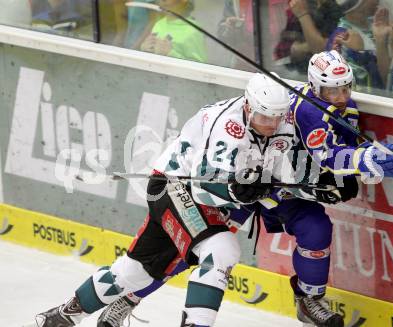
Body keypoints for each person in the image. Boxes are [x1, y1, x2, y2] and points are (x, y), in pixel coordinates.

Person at [94, 51, 393, 327]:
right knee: (196, 248)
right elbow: (329, 156)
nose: (342, 95)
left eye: (346, 88)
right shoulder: (308, 111)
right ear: (315, 86)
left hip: (288, 185)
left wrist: (369, 165)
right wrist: (370, 161)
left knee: (317, 229)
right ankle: (131, 297)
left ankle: (309, 299)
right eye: (333, 91)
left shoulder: (341, 107)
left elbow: (337, 156)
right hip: (256, 184)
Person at [33, 72, 299, 327]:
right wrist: (239, 190)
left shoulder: (282, 121)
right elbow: (205, 187)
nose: (272, 125)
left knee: (133, 272)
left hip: (202, 197)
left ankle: (61, 316)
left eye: (277, 117)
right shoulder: (227, 128)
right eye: (265, 117)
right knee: (221, 250)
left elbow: (289, 169)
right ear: (248, 107)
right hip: (176, 186)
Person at [273, 0, 343, 75]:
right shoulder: (301, 5)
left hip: (327, 76)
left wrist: (303, 15)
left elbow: (322, 52)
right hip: (295, 75)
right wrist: (306, 46)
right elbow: (280, 53)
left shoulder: (336, 9)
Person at [140, 0, 207, 63]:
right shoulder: (159, 24)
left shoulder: (194, 31)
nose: (162, 0)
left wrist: (171, 54)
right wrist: (144, 50)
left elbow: (199, 69)